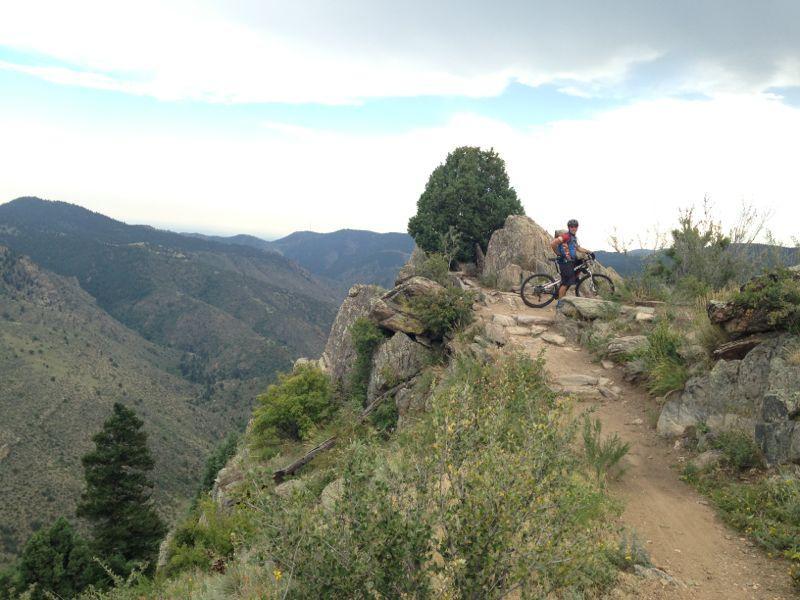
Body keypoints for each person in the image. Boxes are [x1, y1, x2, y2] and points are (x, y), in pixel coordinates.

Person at [550, 219, 594, 309]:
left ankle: (573, 280)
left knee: (577, 268)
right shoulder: (566, 236)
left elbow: (578, 248)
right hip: (565, 262)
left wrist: (589, 252)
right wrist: (558, 253)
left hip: (571, 261)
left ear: (577, 227)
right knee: (565, 283)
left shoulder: (573, 238)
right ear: (569, 227)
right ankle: (560, 303)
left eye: (575, 226)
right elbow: (553, 243)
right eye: (571, 226)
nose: (573, 228)